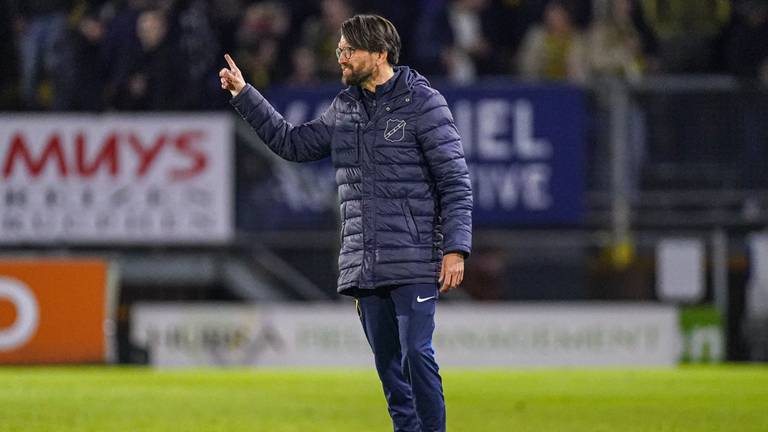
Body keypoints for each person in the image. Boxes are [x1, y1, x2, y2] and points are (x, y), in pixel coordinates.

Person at [220, 14, 472, 432]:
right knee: (391, 373)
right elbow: (292, 143)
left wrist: (455, 249)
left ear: (379, 54)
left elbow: (455, 183)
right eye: (339, 50)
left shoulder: (424, 103)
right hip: (364, 263)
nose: (340, 58)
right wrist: (245, 94)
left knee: (416, 353)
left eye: (348, 51)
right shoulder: (345, 108)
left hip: (414, 258)